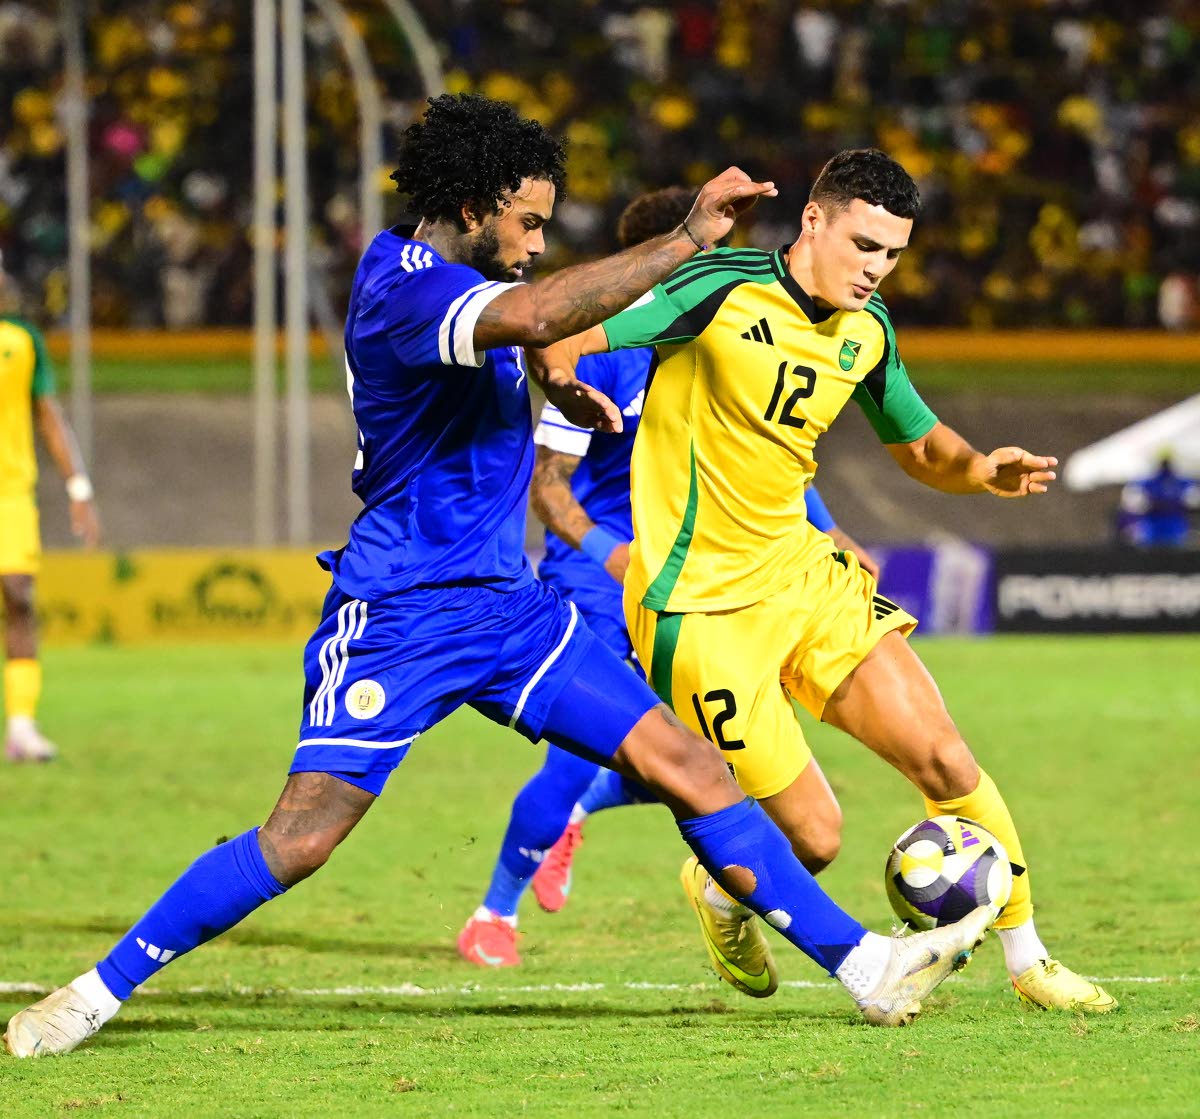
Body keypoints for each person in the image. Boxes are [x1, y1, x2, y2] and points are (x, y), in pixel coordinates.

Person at [4, 97, 994, 1059]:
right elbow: (526, 313)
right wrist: (689, 238)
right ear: (474, 208)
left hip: (511, 609)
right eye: (527, 221)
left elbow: (519, 341)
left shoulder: (457, 288)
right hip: (401, 611)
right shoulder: (402, 283)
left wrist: (556, 382)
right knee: (301, 839)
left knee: (688, 764)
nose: (535, 239)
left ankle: (867, 966)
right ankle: (90, 996)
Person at [528, 148, 1116, 1014]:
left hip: (807, 577)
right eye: (864, 245)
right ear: (814, 219)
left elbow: (921, 447)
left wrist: (982, 467)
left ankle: (1030, 961)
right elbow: (576, 327)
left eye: (893, 255)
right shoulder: (719, 287)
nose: (876, 270)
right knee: (814, 836)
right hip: (699, 609)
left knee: (945, 755)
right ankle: (723, 888)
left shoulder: (867, 333)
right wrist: (563, 373)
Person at [458, 187, 879, 967]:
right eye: (703, 257)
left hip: (707, 575)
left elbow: (770, 464)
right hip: (604, 582)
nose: (722, 271)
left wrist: (833, 532)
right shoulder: (604, 348)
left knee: (718, 756)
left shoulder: (726, 342)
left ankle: (584, 810)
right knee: (580, 749)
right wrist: (606, 553)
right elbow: (547, 485)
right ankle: (494, 914)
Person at [0, 251, 101, 762]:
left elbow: (48, 417)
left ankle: (20, 727)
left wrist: (78, 489)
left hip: (10, 495)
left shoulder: (21, 341)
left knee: (18, 596)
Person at [1115, 454, 1199, 548]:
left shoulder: (1182, 481)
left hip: (1175, 527)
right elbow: (1133, 502)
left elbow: (1193, 500)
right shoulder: (1146, 482)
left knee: (1174, 553)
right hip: (1153, 528)